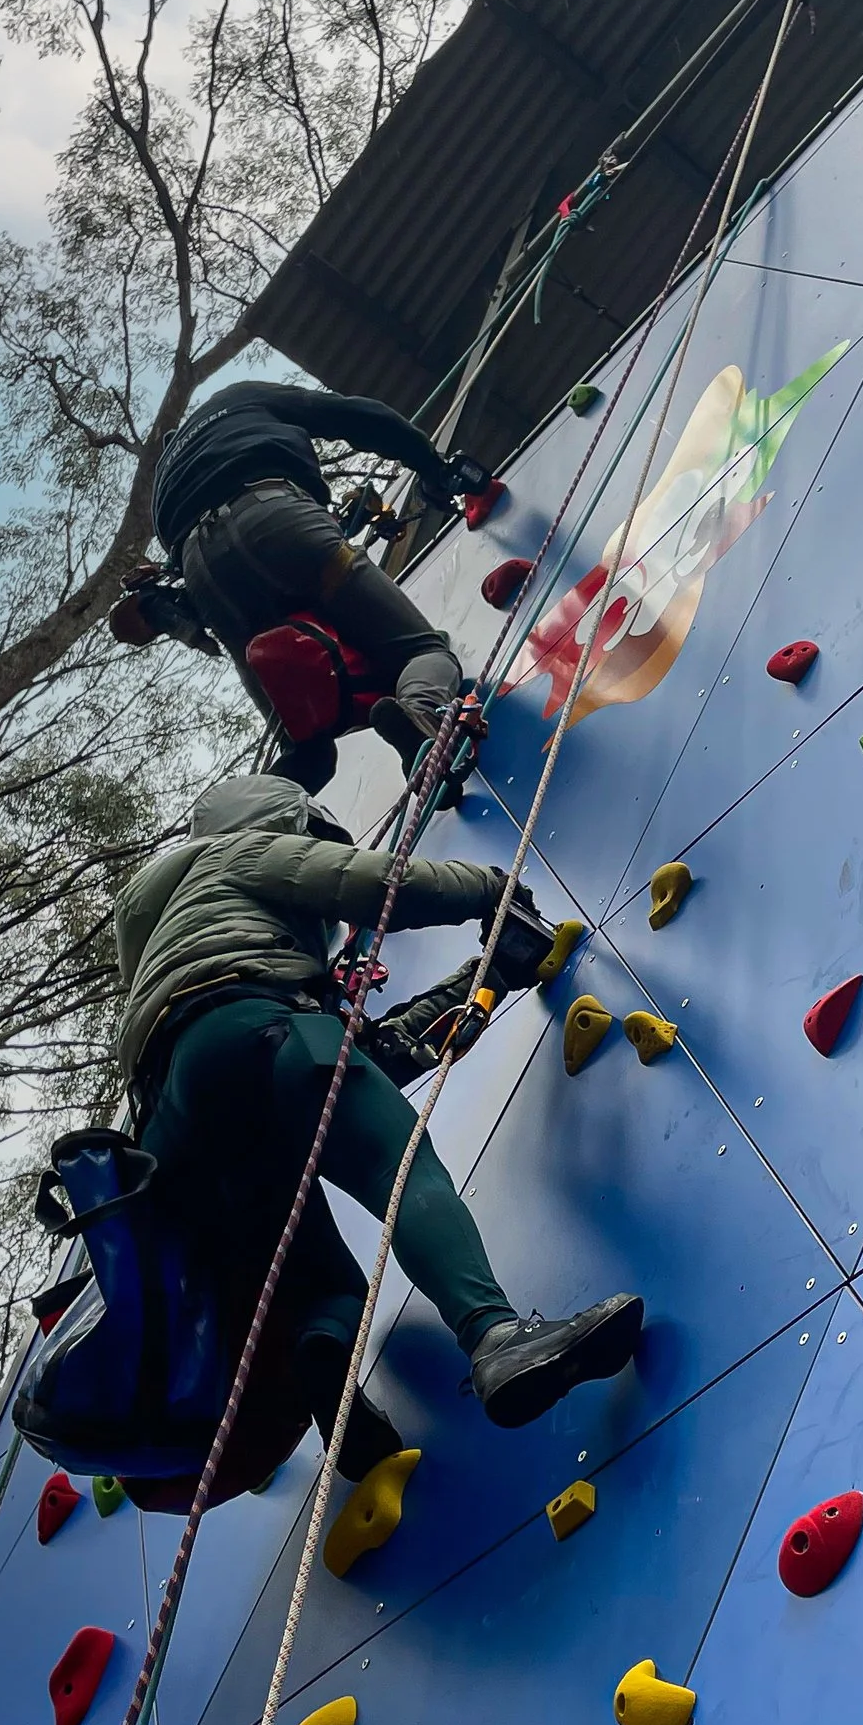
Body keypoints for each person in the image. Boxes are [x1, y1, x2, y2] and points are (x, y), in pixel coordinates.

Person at [114, 773, 641, 1464]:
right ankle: (494, 1336)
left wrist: (482, 980)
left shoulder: (170, 948)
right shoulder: (232, 856)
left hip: (169, 1127)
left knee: (321, 1279)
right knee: (399, 1164)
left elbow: (362, 1060)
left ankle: (337, 1405)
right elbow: (379, 883)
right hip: (251, 1029)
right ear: (281, 820)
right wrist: (489, 889)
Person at [113, 377, 500, 787]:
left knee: (305, 747)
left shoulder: (163, 494)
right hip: (276, 516)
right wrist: (431, 465)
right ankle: (421, 718)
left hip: (204, 571)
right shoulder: (235, 399)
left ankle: (266, 817)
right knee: (422, 651)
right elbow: (352, 415)